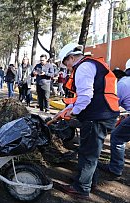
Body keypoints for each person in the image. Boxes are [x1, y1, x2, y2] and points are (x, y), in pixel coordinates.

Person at [57, 43, 119, 199]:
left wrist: (74, 112)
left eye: (67, 63)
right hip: (104, 114)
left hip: (97, 116)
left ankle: (81, 188)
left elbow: (85, 97)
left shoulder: (83, 68)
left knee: (88, 153)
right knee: (92, 150)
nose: (68, 68)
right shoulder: (92, 64)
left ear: (71, 57)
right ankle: (88, 180)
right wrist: (70, 107)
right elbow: (85, 96)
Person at [98, 68, 130, 178]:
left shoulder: (121, 84)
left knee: (117, 137)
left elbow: (112, 104)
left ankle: (115, 169)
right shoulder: (128, 81)